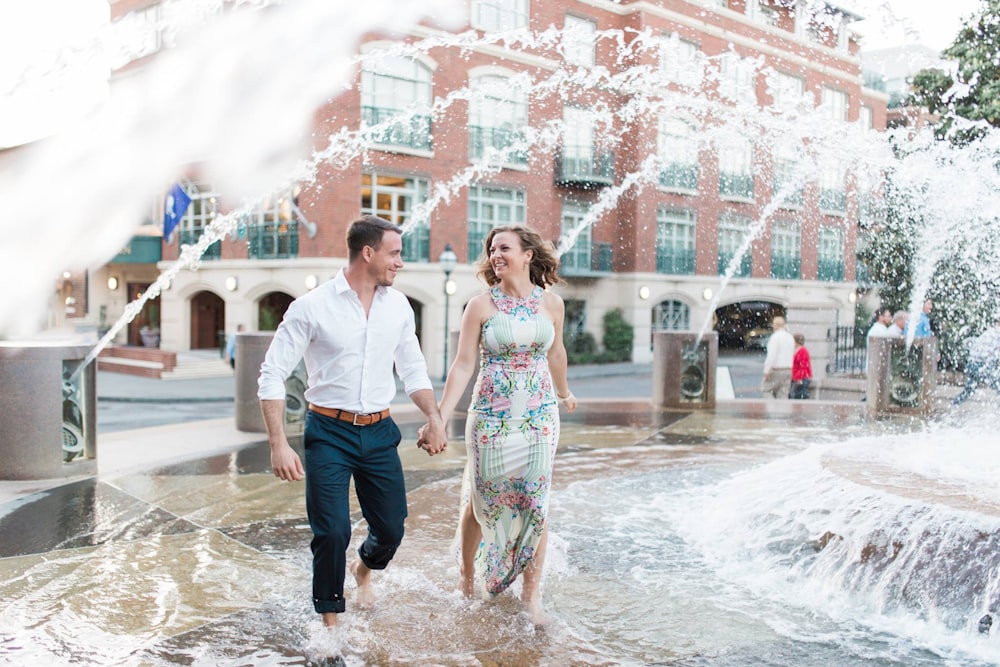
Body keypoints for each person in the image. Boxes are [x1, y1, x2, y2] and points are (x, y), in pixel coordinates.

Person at [257, 215, 448, 629]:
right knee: (331, 532)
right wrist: (278, 443)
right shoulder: (311, 307)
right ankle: (331, 623)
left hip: (380, 431)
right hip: (328, 432)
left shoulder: (397, 305)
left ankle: (364, 568)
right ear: (368, 253)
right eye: (394, 253)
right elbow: (271, 374)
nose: (400, 262)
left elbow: (412, 368)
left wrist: (433, 417)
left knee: (391, 529)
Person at [428, 224, 577, 625]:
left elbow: (556, 354)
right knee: (481, 502)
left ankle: (531, 595)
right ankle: (466, 577)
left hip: (539, 417)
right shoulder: (480, 305)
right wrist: (439, 416)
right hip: (491, 419)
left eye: (505, 248)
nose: (496, 254)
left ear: (528, 255)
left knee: (535, 502)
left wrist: (564, 393)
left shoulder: (552, 304)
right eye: (493, 248)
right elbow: (462, 365)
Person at [952, 320, 1000, 405]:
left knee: (969, 390)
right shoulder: (997, 334)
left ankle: (954, 405)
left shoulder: (989, 332)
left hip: (971, 364)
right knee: (998, 385)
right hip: (981, 366)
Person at [762, 315, 795, 399]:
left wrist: (766, 370)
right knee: (783, 393)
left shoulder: (775, 338)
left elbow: (771, 356)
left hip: (777, 369)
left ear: (775, 326)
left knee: (766, 390)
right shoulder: (790, 337)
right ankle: (782, 410)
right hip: (788, 369)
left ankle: (772, 408)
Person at [790, 332, 812, 399]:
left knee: (796, 395)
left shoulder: (802, 351)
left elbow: (803, 365)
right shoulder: (798, 350)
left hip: (801, 377)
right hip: (797, 377)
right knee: (795, 394)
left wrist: (799, 378)